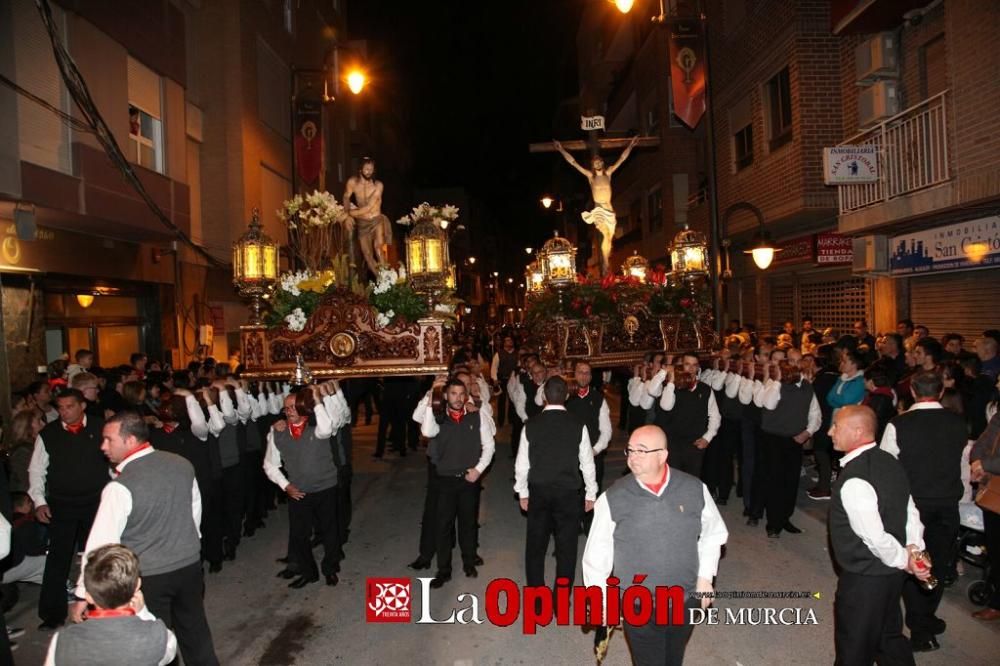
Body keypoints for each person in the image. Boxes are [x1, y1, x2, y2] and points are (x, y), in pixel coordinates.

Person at [69, 411, 218, 666]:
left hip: (148, 577)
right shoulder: (181, 464)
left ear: (129, 440)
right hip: (189, 567)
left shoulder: (119, 487)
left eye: (108, 440)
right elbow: (194, 514)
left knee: (154, 643)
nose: (103, 446)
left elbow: (101, 545)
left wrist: (85, 594)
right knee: (195, 632)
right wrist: (188, 548)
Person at [583, 425, 728, 665]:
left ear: (662, 455)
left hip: (685, 599)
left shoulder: (694, 489)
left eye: (642, 451)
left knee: (673, 658)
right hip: (639, 604)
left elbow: (714, 534)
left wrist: (705, 578)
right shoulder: (613, 498)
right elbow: (597, 555)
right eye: (630, 450)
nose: (633, 457)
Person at [828, 405, 928, 665]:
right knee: (888, 637)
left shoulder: (855, 479)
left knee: (854, 648)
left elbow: (873, 536)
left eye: (836, 426)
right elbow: (909, 511)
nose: (830, 432)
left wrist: (904, 559)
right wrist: (914, 550)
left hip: (866, 579)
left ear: (858, 431)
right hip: (890, 576)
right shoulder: (889, 461)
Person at [877, 370, 965, 651]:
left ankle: (919, 625)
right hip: (947, 503)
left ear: (912, 391)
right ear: (940, 391)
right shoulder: (959, 422)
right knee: (937, 564)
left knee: (914, 561)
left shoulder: (898, 424)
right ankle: (924, 619)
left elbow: (886, 468)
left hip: (912, 505)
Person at [28, 389, 108, 630]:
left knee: (97, 556)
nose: (64, 412)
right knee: (58, 560)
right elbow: (36, 470)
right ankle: (52, 614)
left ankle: (101, 606)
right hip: (62, 505)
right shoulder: (49, 434)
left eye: (69, 406)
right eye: (61, 408)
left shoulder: (100, 427)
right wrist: (39, 501)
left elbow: (114, 461)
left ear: (82, 405)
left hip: (95, 502)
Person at [514, 376, 597, 590]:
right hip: (568, 493)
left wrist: (522, 492)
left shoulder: (530, 425)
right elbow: (587, 463)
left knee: (535, 547)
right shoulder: (578, 425)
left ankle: (537, 598)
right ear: (567, 396)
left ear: (543, 396)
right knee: (566, 548)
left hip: (539, 492)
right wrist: (590, 493)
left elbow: (522, 464)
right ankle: (561, 599)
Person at [264, 385, 347, 588]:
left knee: (330, 532)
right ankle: (309, 573)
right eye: (286, 408)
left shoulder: (318, 425)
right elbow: (270, 465)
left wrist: (317, 399)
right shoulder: (277, 432)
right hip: (298, 491)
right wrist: (286, 486)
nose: (289, 411)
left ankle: (330, 569)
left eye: (293, 406)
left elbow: (327, 429)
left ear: (303, 407)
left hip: (325, 487)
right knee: (300, 536)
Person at [419, 378, 495, 588]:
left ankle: (469, 562)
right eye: (453, 393)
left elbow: (489, 446)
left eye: (462, 394)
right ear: (446, 396)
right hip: (444, 482)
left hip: (468, 481)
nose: (458, 398)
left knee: (468, 524)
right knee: (443, 526)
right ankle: (444, 570)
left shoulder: (476, 416)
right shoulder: (438, 418)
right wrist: (430, 398)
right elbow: (426, 432)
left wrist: (478, 470)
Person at [46, 544, 176, 665]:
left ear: (88, 597)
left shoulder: (63, 641)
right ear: (137, 585)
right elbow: (168, 653)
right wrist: (143, 612)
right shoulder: (158, 636)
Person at [553, 136, 639, 275]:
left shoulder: (609, 173)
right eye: (595, 162)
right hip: (599, 209)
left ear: (602, 163)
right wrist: (561, 149)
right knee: (605, 233)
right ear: (592, 165)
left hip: (609, 209)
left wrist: (631, 145)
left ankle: (606, 260)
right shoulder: (590, 176)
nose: (597, 164)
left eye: (599, 162)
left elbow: (622, 159)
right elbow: (574, 163)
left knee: (609, 237)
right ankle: (605, 262)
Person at [754, 361, 821, 538]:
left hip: (794, 440)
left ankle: (784, 518)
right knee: (775, 481)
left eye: (796, 362)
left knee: (791, 482)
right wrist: (776, 380)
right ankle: (773, 523)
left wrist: (807, 432)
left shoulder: (807, 387)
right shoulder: (775, 384)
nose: (792, 366)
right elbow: (767, 404)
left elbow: (815, 414)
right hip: (773, 439)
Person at [648, 353, 720, 477]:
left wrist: (707, 438)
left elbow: (715, 416)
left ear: (698, 367)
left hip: (694, 444)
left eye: (694, 365)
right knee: (673, 480)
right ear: (681, 366)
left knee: (692, 480)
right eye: (687, 364)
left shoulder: (705, 389)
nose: (691, 368)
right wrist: (666, 375)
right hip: (672, 443)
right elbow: (663, 402)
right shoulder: (671, 386)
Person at [969, 410, 1000, 621]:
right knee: (996, 549)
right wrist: (976, 461)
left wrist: (985, 465)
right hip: (994, 494)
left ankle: (997, 604)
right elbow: (984, 440)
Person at [343, 157, 390, 277]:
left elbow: (369, 207)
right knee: (367, 254)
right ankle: (381, 279)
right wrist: (347, 212)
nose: (369, 172)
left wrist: (350, 214)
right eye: (366, 169)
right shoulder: (352, 182)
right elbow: (346, 196)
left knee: (378, 248)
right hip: (362, 223)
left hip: (376, 220)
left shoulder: (378, 185)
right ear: (360, 170)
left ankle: (386, 277)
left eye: (371, 169)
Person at [490, 336, 519, 429]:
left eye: (510, 340)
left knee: (512, 400)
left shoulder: (517, 354)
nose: (509, 342)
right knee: (501, 401)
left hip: (513, 380)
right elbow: (494, 367)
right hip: (502, 379)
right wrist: (494, 379)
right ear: (504, 343)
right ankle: (500, 421)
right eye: (507, 340)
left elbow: (519, 366)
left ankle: (511, 420)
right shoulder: (499, 354)